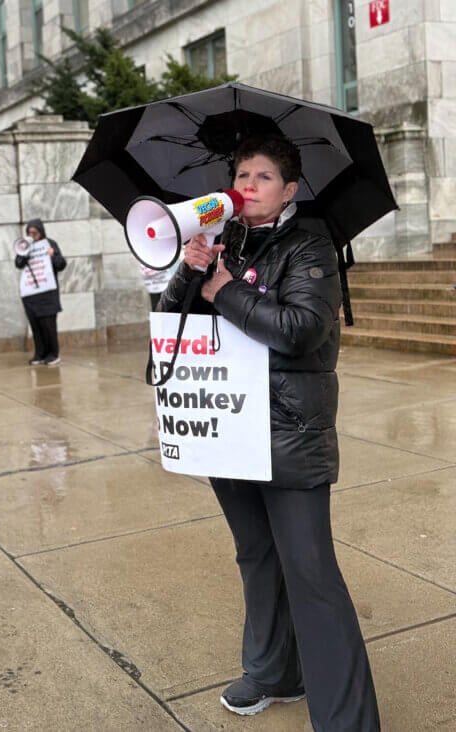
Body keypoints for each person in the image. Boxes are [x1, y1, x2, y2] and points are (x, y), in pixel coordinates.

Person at [158, 134, 380, 730]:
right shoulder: (221, 242)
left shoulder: (311, 249)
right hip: (228, 431)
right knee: (255, 555)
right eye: (241, 174)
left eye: (261, 177)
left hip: (288, 434)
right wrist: (189, 272)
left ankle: (347, 720)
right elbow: (171, 329)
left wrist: (225, 289)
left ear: (289, 189)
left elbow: (301, 330)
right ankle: (274, 671)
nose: (247, 185)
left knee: (311, 573)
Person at [15, 218, 66, 366]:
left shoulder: (50, 244)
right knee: (36, 326)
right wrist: (24, 253)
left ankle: (53, 354)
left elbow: (61, 264)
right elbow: (18, 264)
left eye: (35, 232)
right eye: (29, 232)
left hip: (47, 293)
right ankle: (40, 354)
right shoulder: (25, 246)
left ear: (41, 231)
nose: (32, 235)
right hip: (31, 294)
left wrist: (53, 255)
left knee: (48, 325)